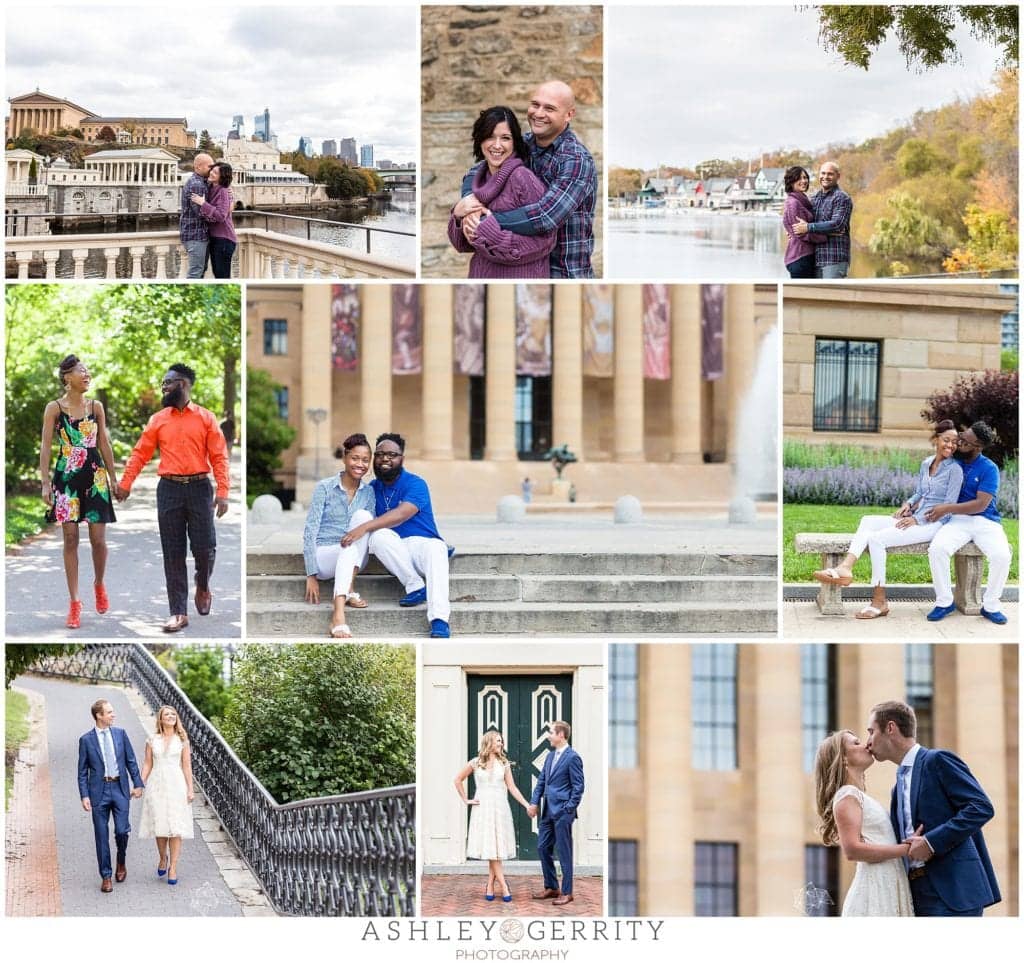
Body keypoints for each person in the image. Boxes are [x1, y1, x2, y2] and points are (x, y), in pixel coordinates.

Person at [115, 363, 230, 633]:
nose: (163, 387)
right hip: (169, 490)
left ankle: (202, 585)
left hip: (200, 488)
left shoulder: (206, 418)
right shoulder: (158, 419)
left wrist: (223, 492)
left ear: (183, 384)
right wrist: (126, 483)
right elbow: (140, 453)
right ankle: (178, 612)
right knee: (173, 553)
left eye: (168, 383)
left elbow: (219, 457)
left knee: (205, 549)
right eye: (163, 383)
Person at [813, 420, 962, 619]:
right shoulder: (926, 463)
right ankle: (845, 567)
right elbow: (920, 492)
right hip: (915, 517)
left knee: (877, 539)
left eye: (955, 442)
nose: (951, 445)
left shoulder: (955, 470)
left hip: (933, 524)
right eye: (946, 440)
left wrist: (918, 520)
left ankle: (879, 600)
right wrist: (908, 505)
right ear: (936, 439)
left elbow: (949, 507)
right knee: (868, 520)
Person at [866, 700, 1000, 916]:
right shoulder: (896, 788)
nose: (868, 743)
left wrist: (931, 842)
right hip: (915, 894)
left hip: (951, 891)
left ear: (890, 728)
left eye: (871, 732)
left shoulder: (937, 760)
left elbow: (981, 806)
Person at [454, 81, 596, 278]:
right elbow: (477, 170)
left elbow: (545, 217)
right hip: (520, 268)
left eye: (549, 108)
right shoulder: (524, 144)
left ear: (569, 115)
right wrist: (468, 203)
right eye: (535, 104)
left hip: (563, 273)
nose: (538, 113)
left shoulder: (576, 160)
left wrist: (485, 219)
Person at [340, 432, 452, 638]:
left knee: (437, 548)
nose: (385, 459)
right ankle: (415, 586)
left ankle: (439, 620)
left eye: (392, 454)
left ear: (402, 459)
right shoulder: (371, 488)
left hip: (422, 545)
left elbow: (402, 514)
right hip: (395, 549)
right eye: (380, 454)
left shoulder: (416, 483)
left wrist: (364, 527)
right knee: (378, 536)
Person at [40, 355, 120, 629]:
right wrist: (44, 483)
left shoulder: (95, 406)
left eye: (87, 371)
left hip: (95, 475)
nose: (87, 375)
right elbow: (46, 447)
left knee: (98, 540)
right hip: (66, 476)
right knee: (70, 539)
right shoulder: (54, 408)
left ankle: (99, 584)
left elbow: (104, 444)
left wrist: (113, 479)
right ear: (67, 378)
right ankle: (74, 602)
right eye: (81, 372)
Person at [813, 729, 914, 915]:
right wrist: (907, 849)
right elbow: (852, 850)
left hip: (887, 881)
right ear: (843, 758)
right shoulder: (847, 795)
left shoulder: (858, 796)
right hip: (874, 889)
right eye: (856, 743)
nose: (866, 745)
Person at [447, 106, 556, 278]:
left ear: (514, 142)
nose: (497, 145)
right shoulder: (477, 179)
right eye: (490, 136)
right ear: (480, 139)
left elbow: (547, 242)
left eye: (505, 138)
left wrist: (489, 232)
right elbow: (462, 245)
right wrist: (458, 215)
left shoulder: (522, 178)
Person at [924, 421, 1012, 624]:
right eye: (961, 436)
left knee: (1002, 556)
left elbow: (981, 505)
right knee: (938, 549)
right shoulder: (951, 461)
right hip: (957, 521)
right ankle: (945, 602)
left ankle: (990, 606)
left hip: (986, 521)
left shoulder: (989, 468)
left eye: (965, 441)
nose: (959, 441)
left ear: (978, 446)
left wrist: (945, 508)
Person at [303, 433, 377, 638]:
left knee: (364, 517)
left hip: (353, 558)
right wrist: (311, 574)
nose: (360, 464)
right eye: (355, 458)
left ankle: (349, 585)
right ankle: (338, 615)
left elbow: (368, 529)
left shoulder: (368, 492)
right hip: (324, 555)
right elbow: (310, 531)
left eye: (365, 460)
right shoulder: (324, 488)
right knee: (348, 548)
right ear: (345, 458)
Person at [454, 730, 532, 903]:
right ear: (489, 742)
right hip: (482, 810)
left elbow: (512, 788)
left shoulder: (504, 764)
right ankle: (504, 886)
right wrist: (466, 800)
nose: (501, 744)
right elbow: (457, 779)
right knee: (491, 848)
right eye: (498, 741)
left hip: (499, 809)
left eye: (501, 741)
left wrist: (527, 805)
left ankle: (490, 885)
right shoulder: (476, 763)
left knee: (494, 848)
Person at [77, 699, 145, 893]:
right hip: (98, 792)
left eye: (112, 712)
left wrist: (138, 783)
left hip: (120, 789)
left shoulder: (120, 734)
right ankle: (106, 875)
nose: (113, 715)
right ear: (99, 715)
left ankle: (121, 861)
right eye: (109, 712)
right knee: (101, 835)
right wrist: (84, 795)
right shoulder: (86, 740)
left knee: (122, 831)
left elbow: (131, 761)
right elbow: (82, 772)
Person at [528, 721, 583, 907]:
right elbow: (542, 781)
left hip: (562, 813)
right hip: (547, 812)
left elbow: (578, 787)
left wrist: (569, 809)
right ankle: (552, 887)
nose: (548, 735)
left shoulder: (573, 757)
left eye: (551, 732)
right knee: (543, 847)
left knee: (564, 853)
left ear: (561, 735)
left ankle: (567, 892)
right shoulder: (550, 756)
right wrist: (534, 802)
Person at [138, 706, 194, 886]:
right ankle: (163, 858)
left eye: (173, 714)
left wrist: (190, 789)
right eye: (166, 714)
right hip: (157, 785)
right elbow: (147, 764)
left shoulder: (182, 740)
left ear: (176, 719)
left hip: (177, 785)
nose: (170, 716)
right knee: (160, 825)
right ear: (160, 720)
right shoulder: (152, 739)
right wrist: (139, 783)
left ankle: (173, 868)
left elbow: (186, 766)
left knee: (175, 828)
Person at [792, 160, 853, 278]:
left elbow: (837, 224)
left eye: (830, 174)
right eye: (823, 173)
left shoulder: (842, 198)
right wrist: (793, 231)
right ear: (819, 175)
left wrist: (809, 227)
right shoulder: (814, 198)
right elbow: (800, 222)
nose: (826, 177)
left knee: (831, 293)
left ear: (838, 176)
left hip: (834, 259)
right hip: (815, 259)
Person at [190, 160, 237, 279]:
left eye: (215, 173)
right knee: (218, 274)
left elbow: (221, 216)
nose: (211, 173)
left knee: (222, 277)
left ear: (222, 177)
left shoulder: (223, 191)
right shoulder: (211, 187)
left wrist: (203, 203)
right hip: (216, 239)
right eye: (212, 170)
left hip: (224, 240)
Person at [781, 166, 825, 278]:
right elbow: (800, 233)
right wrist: (825, 237)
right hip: (800, 258)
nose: (804, 181)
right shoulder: (793, 203)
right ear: (791, 182)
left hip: (805, 257)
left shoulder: (802, 200)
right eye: (799, 178)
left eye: (805, 178)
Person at [180, 152, 213, 279]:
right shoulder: (197, 184)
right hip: (195, 235)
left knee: (200, 271)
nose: (212, 169)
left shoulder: (200, 182)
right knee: (196, 273)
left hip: (197, 235)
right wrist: (218, 215)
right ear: (198, 167)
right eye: (209, 166)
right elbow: (201, 213)